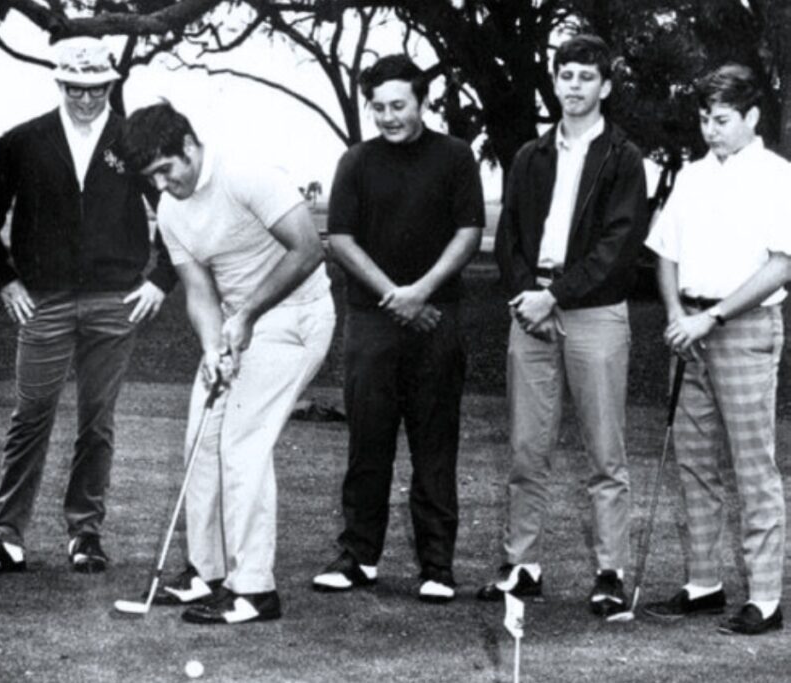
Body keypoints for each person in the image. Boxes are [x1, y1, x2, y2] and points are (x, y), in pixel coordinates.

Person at [116, 102, 334, 624]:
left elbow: (308, 250)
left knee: (242, 444)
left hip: (295, 318)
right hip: (238, 326)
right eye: (151, 179)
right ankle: (207, 572)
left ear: (189, 145)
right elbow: (198, 291)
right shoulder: (172, 211)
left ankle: (254, 589)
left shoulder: (247, 175)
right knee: (202, 437)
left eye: (166, 170)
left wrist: (248, 315)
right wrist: (214, 347)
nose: (162, 185)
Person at [0, 36, 176, 575]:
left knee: (97, 422)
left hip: (115, 301)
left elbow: (179, 208)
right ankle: (6, 535)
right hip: (44, 301)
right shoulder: (23, 141)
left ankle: (85, 532)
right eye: (75, 89)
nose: (86, 99)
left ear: (110, 84)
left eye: (97, 89)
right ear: (59, 83)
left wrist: (161, 280)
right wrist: (5, 280)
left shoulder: (131, 141)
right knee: (30, 416)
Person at [479, 34, 649, 618]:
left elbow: (619, 245)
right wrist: (529, 296)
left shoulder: (624, 157)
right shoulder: (531, 155)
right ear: (554, 82)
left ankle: (609, 573)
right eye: (566, 75)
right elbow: (510, 236)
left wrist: (556, 295)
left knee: (605, 452)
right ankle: (522, 566)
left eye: (586, 76)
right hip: (531, 310)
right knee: (527, 448)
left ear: (606, 85)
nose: (574, 86)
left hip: (594, 311)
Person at [310, 54, 483, 603]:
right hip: (372, 322)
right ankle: (359, 557)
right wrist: (396, 296)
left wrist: (421, 292)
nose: (388, 117)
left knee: (435, 446)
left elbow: (469, 232)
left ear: (422, 101)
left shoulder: (454, 157)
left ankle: (437, 567)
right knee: (369, 443)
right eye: (379, 107)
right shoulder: (356, 162)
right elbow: (341, 240)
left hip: (437, 318)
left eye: (398, 106)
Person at [641, 64, 791, 636]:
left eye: (722, 119)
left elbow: (782, 264)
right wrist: (677, 315)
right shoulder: (693, 175)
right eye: (705, 118)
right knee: (694, 462)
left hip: (744, 327)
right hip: (690, 329)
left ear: (752, 116)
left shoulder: (777, 176)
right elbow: (666, 252)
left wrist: (712, 317)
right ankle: (704, 583)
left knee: (753, 467)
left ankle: (765, 599)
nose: (711, 129)